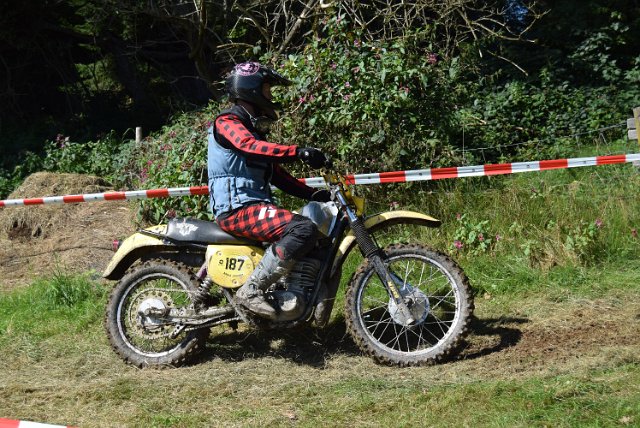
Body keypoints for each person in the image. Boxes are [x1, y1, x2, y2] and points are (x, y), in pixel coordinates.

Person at [207, 61, 330, 320]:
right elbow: (247, 145)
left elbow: (277, 175)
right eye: (267, 89)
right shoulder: (227, 122)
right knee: (302, 229)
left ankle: (302, 298)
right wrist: (298, 152)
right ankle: (250, 291)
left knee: (316, 235)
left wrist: (313, 194)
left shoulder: (252, 130)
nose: (270, 95)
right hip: (236, 209)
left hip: (253, 206)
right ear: (250, 89)